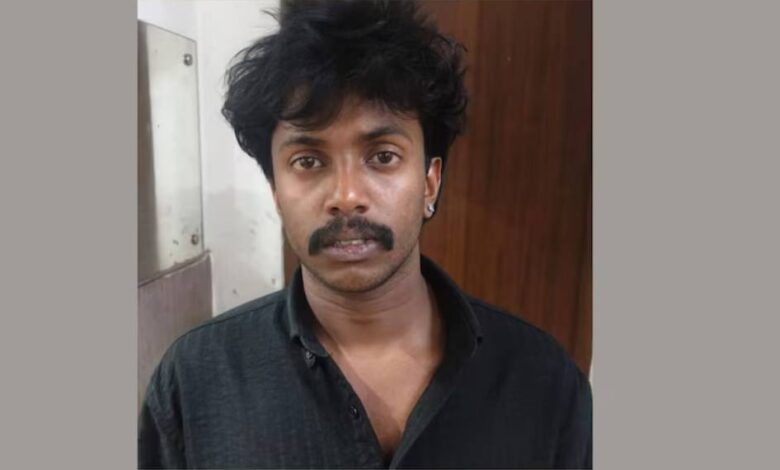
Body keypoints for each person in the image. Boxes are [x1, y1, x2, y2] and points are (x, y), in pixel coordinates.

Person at [137, 0, 592, 468]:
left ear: (430, 182)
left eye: (383, 156)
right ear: (275, 191)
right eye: (308, 161)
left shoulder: (546, 385)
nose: (347, 196)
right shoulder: (193, 385)